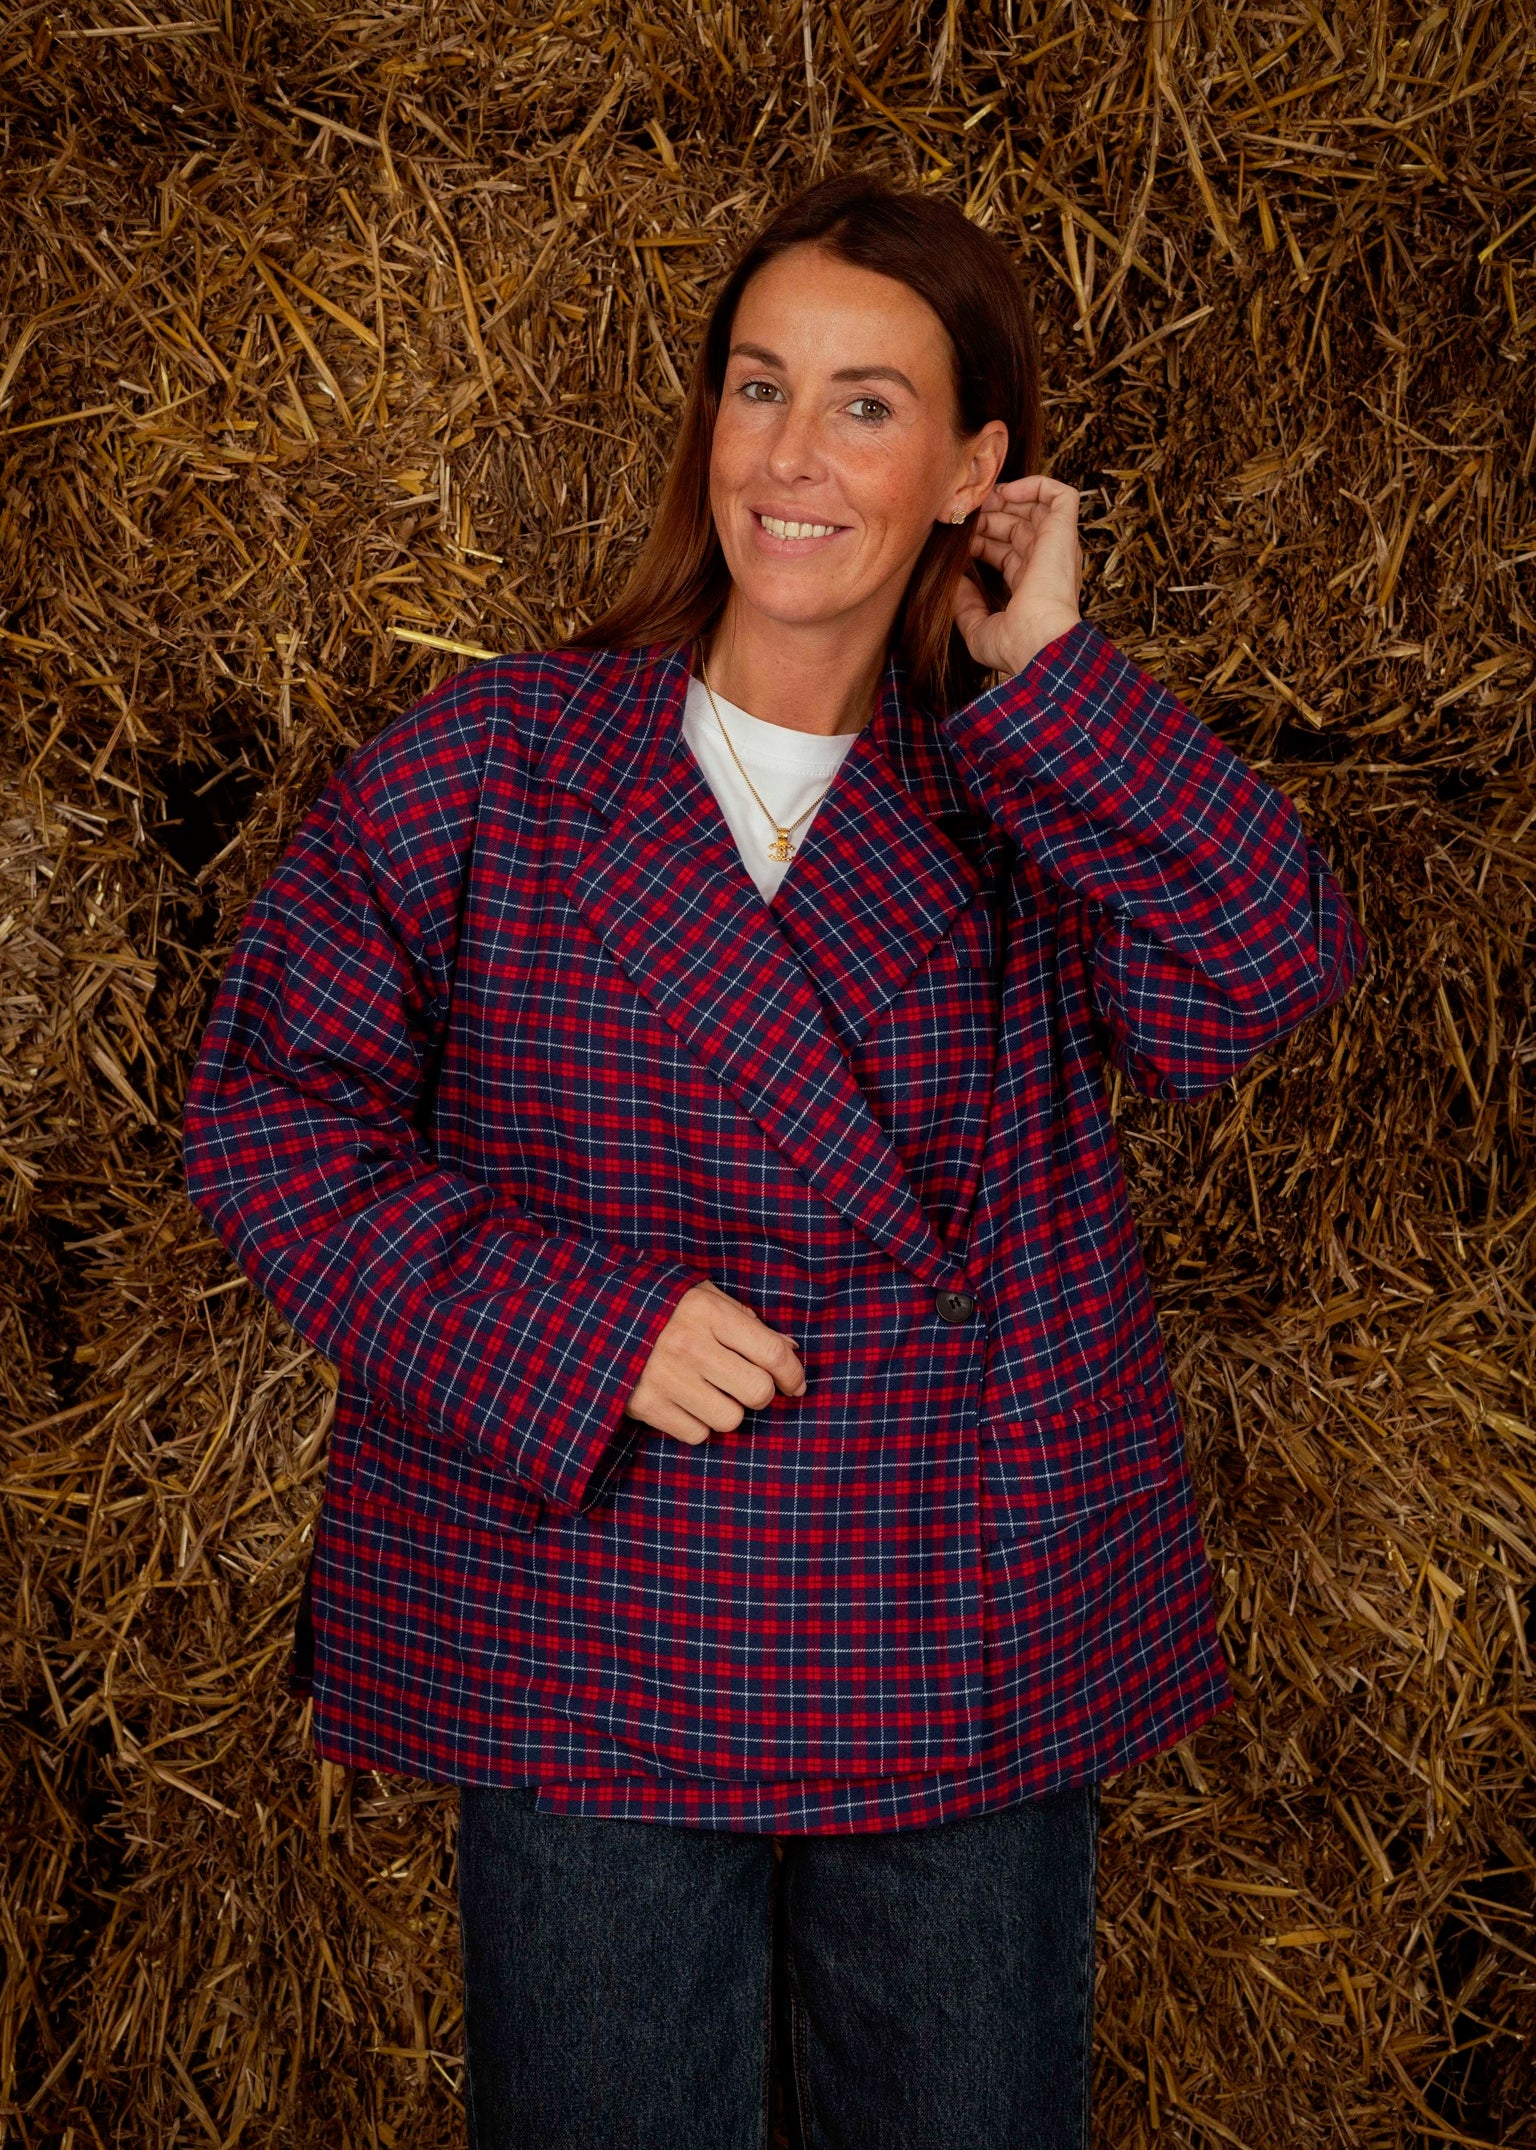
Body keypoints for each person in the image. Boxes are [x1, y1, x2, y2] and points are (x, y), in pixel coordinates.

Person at [183, 172, 1366, 2149]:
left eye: (865, 404)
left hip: (960, 1626)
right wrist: (582, 1332)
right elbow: (267, 1113)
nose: (791, 453)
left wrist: (1053, 674)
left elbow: (1266, 970)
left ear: (976, 469)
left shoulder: (1022, 785)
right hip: (593, 1620)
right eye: (758, 386)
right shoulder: (493, 764)